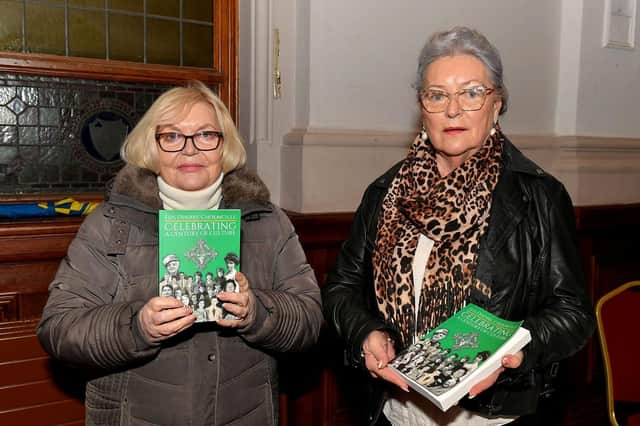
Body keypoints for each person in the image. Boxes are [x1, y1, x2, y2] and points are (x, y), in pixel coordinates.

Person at [322, 26, 595, 426]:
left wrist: (516, 350)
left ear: (496, 104)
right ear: (422, 106)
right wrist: (365, 332)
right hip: (397, 412)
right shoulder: (386, 192)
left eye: (471, 93)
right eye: (437, 95)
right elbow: (341, 288)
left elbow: (573, 312)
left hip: (491, 417)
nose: (453, 110)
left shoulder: (538, 197)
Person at [36, 80, 323, 426]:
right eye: (172, 136)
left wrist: (257, 311)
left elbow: (310, 319)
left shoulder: (266, 220)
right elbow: (59, 328)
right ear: (153, 147)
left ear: (224, 145)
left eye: (205, 135)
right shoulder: (111, 224)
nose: (190, 150)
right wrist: (136, 326)